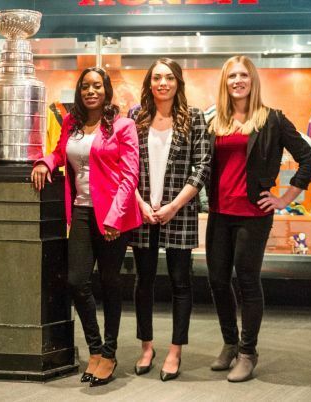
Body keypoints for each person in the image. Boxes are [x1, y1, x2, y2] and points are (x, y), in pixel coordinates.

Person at [206, 55, 311, 382]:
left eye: (243, 75)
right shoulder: (217, 121)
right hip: (218, 212)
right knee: (216, 279)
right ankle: (229, 343)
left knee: (246, 281)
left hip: (253, 214)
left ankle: (247, 351)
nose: (237, 81)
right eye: (231, 76)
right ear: (225, 82)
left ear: (253, 80)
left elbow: (309, 160)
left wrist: (284, 198)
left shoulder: (272, 119)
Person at [31, 67, 141, 387]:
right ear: (79, 92)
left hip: (112, 216)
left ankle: (109, 351)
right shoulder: (71, 123)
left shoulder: (123, 126)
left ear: (106, 90)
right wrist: (45, 163)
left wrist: (114, 217)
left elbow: (130, 174)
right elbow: (58, 153)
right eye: (85, 87)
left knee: (109, 283)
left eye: (97, 86)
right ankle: (95, 348)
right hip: (80, 211)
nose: (91, 91)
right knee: (77, 280)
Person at [128, 58, 211, 381]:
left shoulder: (195, 117)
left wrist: (174, 206)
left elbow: (202, 168)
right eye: (157, 78)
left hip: (180, 211)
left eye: (169, 78)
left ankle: (176, 349)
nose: (163, 83)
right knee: (143, 282)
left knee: (180, 282)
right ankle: (147, 346)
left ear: (178, 82)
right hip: (142, 211)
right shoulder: (136, 117)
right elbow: (126, 165)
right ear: (150, 83)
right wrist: (139, 202)